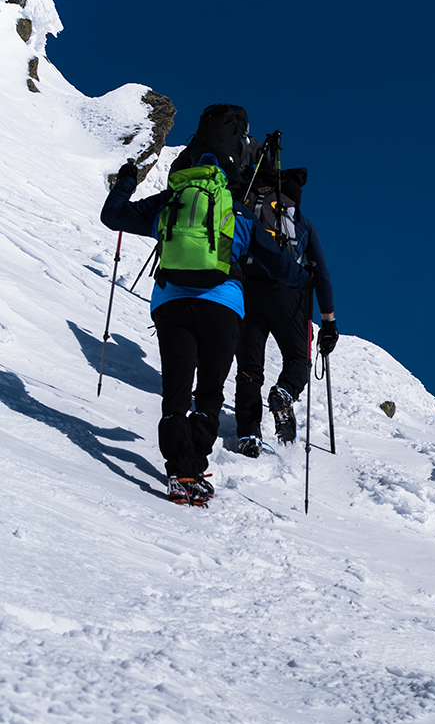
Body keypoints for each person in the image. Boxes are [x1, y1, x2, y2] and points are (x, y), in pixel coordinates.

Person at [100, 135, 295, 505]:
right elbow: (280, 266)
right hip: (223, 307)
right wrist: (307, 275)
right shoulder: (237, 211)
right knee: (208, 390)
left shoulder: (169, 202)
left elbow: (113, 217)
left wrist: (127, 179)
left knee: (175, 390)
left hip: (171, 303)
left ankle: (180, 470)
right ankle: (196, 465)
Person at [231, 163, 337, 456]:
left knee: (249, 368)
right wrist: (328, 322)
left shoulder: (247, 210)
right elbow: (322, 273)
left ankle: (248, 433)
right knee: (297, 359)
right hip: (289, 293)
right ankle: (285, 391)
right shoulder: (301, 222)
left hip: (247, 289)